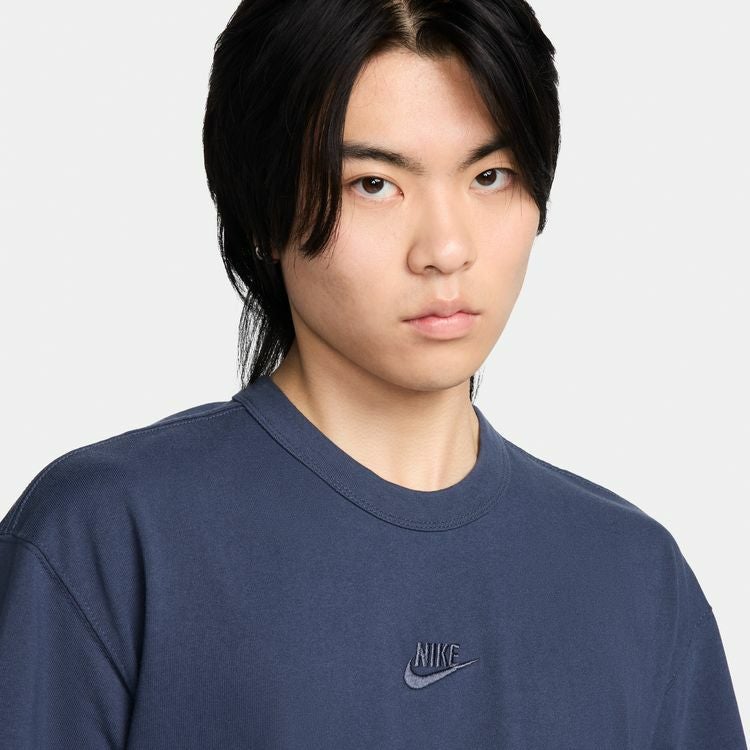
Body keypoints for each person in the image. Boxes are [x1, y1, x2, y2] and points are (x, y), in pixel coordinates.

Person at [0, 0, 746, 747]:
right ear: (261, 211)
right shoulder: (106, 538)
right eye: (374, 184)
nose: (446, 249)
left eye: (490, 176)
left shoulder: (634, 575)